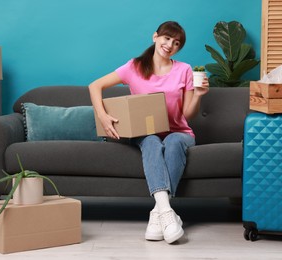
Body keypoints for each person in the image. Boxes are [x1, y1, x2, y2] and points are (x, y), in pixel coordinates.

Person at [88, 21, 209, 244]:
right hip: (145, 132)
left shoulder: (184, 70)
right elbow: (94, 86)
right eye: (166, 38)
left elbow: (187, 115)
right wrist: (103, 116)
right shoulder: (134, 67)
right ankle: (167, 213)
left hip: (178, 131)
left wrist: (199, 95)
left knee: (173, 142)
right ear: (155, 37)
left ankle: (158, 213)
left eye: (176, 42)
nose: (170, 44)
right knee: (152, 141)